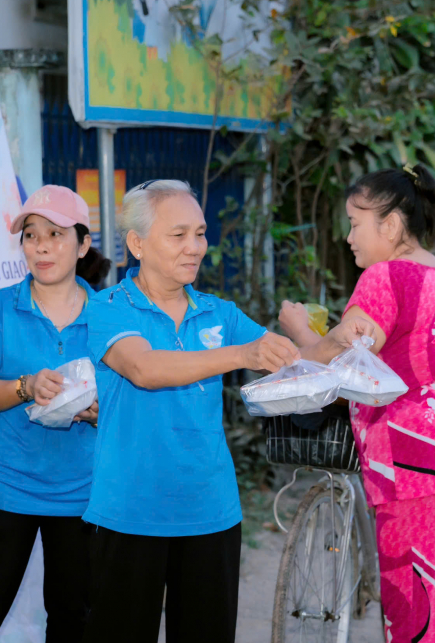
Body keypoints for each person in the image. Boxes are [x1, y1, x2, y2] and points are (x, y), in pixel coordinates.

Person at [80, 179, 362, 642]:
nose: (195, 247)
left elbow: (289, 361)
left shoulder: (218, 313)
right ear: (137, 244)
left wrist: (339, 340)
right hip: (131, 513)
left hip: (211, 511)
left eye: (201, 233)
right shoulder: (110, 306)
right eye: (178, 235)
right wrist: (243, 355)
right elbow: (145, 368)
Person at [280, 163, 435, 643]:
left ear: (389, 225)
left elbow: (339, 363)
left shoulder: (383, 278)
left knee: (413, 618)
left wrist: (297, 332)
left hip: (407, 469)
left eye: (355, 222)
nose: (348, 237)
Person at [0, 185, 109, 640]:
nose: (41, 246)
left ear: (83, 244)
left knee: (73, 619)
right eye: (31, 235)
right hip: (7, 486)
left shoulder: (108, 315)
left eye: (56, 234)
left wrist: (99, 412)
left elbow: (128, 398)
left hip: (82, 491)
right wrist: (25, 387)